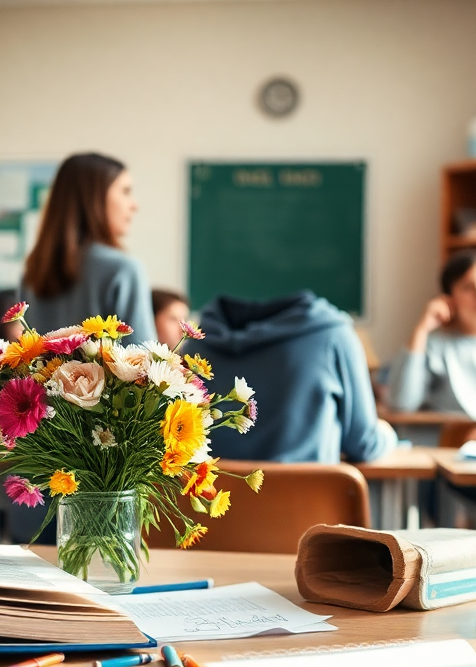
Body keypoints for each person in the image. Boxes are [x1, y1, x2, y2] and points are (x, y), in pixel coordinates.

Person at [185, 291, 396, 464]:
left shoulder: (193, 346)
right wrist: (387, 434)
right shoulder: (333, 337)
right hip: (310, 513)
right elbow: (363, 444)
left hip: (207, 514)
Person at [20, 152, 155, 343]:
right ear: (95, 199)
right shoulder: (124, 269)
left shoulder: (32, 272)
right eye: (125, 192)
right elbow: (145, 360)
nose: (134, 205)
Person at [388, 249, 476, 424]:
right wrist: (421, 329)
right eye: (467, 287)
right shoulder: (436, 347)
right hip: (449, 445)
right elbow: (401, 403)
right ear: (449, 298)